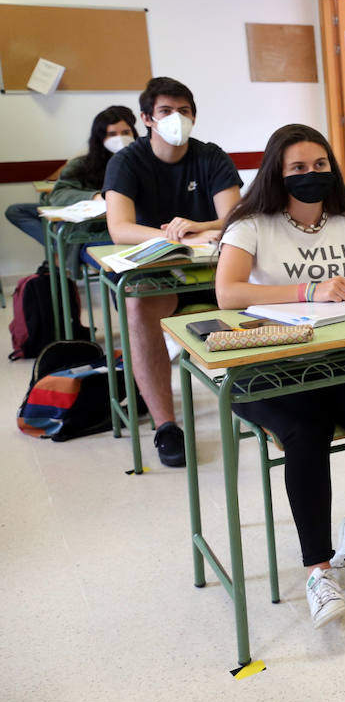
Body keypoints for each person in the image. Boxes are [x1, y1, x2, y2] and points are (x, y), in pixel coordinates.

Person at [216, 123, 345, 628]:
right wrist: (307, 291)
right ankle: (318, 571)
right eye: (299, 168)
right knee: (304, 434)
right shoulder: (252, 224)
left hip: (339, 355)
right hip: (270, 360)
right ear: (276, 173)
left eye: (320, 165)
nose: (312, 175)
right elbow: (229, 293)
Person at [103, 77, 242, 468]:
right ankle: (166, 426)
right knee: (140, 306)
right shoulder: (126, 161)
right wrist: (171, 234)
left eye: (184, 111)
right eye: (166, 111)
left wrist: (197, 227)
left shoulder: (211, 156)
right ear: (147, 118)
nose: (176, 119)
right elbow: (120, 227)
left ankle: (263, 396)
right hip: (156, 270)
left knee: (252, 289)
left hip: (209, 269)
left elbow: (234, 217)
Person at [5, 105, 137, 247]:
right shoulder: (84, 163)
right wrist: (96, 197)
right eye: (112, 134)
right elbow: (58, 194)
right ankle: (59, 250)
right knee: (16, 211)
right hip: (93, 228)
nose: (120, 139)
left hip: (129, 224)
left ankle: (62, 253)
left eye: (125, 132)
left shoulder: (141, 161)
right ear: (100, 138)